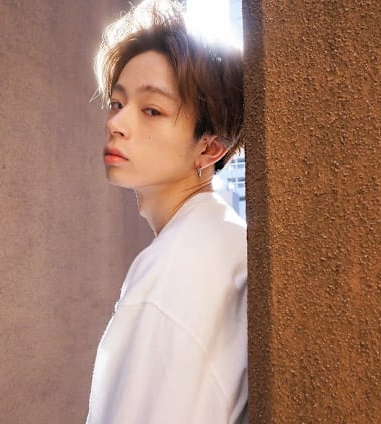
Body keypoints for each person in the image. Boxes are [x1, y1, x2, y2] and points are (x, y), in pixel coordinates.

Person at [86, 0, 246, 422]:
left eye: (152, 110)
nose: (116, 124)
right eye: (117, 103)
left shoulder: (175, 267)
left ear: (209, 148)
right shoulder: (221, 240)